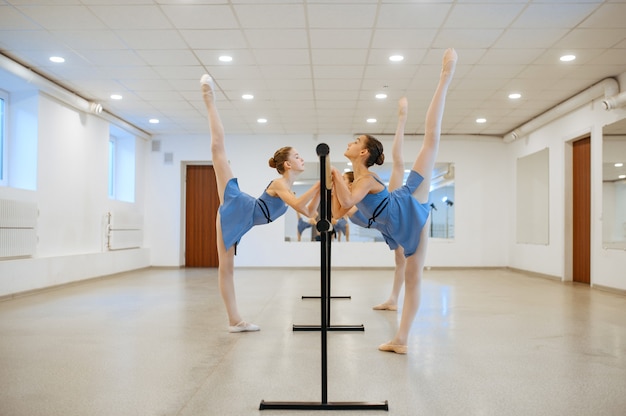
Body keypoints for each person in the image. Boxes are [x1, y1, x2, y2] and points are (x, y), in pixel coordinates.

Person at [331, 48, 457, 354]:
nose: (349, 142)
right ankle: (398, 331)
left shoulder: (368, 180)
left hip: (408, 204)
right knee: (409, 272)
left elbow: (348, 198)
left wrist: (333, 173)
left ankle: (445, 76)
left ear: (363, 153)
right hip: (396, 228)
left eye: (355, 141)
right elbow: (339, 210)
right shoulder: (358, 181)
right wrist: (332, 181)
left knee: (431, 140)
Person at [201, 74, 320, 333]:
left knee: (227, 269)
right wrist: (319, 185)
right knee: (217, 151)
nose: (302, 159)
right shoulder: (279, 185)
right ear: (287, 164)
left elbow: (309, 212)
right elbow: (300, 205)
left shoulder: (289, 187)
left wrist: (322, 191)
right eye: (298, 156)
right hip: (240, 207)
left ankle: (235, 321)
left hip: (244, 218)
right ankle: (209, 97)